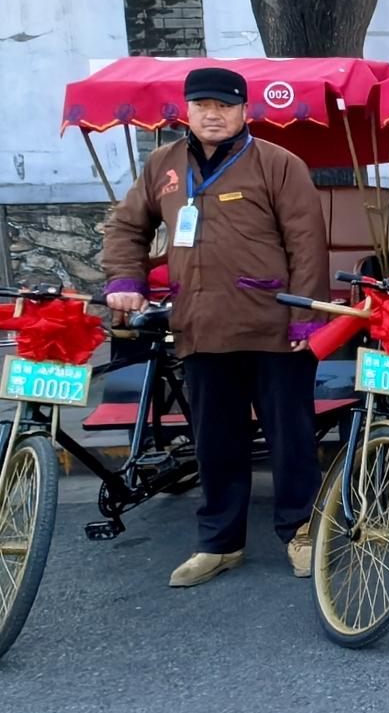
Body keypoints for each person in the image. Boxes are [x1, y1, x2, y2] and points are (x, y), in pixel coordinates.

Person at [100, 66, 328, 588]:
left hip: (276, 327)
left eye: (224, 106)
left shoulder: (277, 164)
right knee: (215, 442)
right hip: (200, 325)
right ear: (187, 109)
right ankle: (220, 542)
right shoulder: (164, 164)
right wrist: (124, 278)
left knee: (290, 439)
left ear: (244, 110)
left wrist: (305, 317)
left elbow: (307, 243)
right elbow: (128, 225)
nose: (213, 114)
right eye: (202, 105)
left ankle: (302, 532)